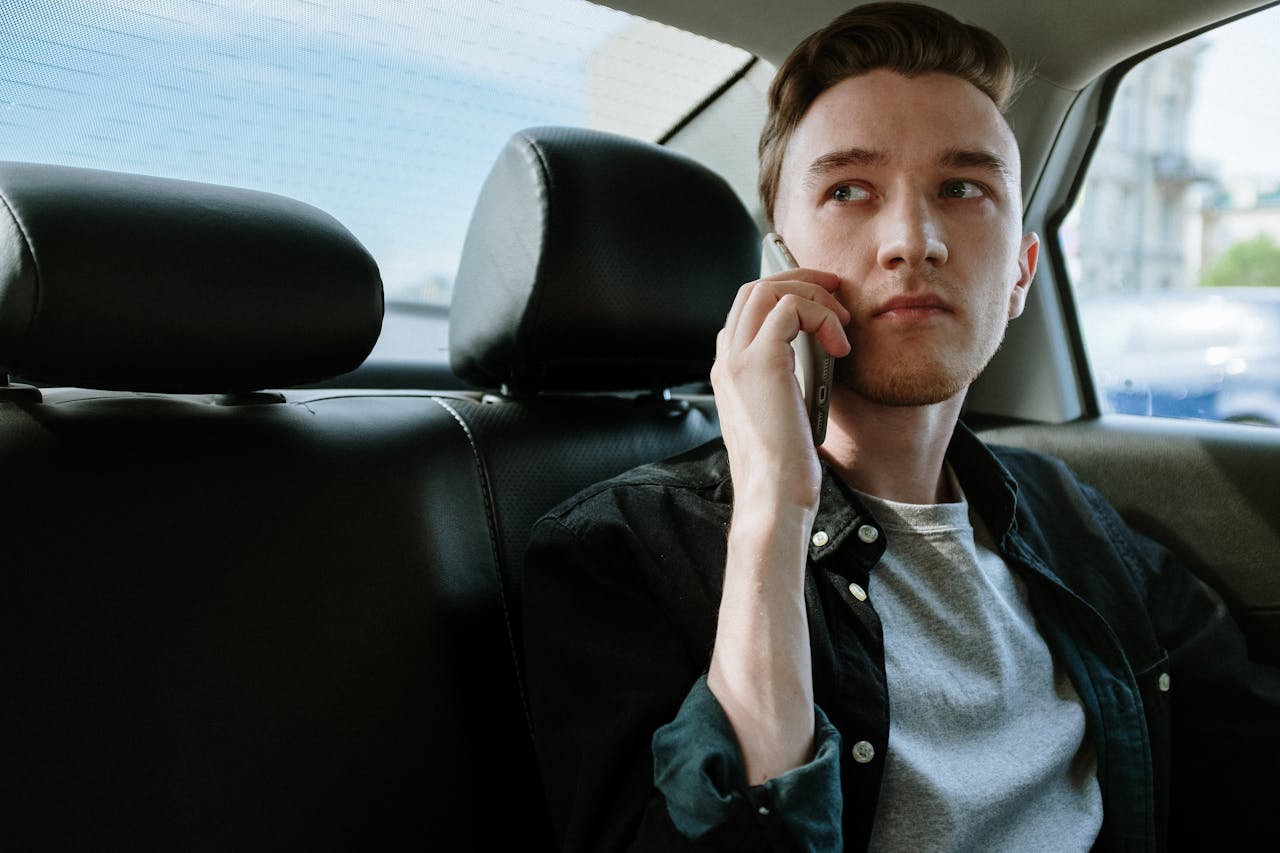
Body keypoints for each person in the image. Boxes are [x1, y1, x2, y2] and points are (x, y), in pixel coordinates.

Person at [522, 3, 1280, 851]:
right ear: (776, 264)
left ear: (1022, 272)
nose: (911, 240)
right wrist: (772, 508)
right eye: (849, 190)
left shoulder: (1076, 521)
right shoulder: (620, 552)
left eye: (962, 188)